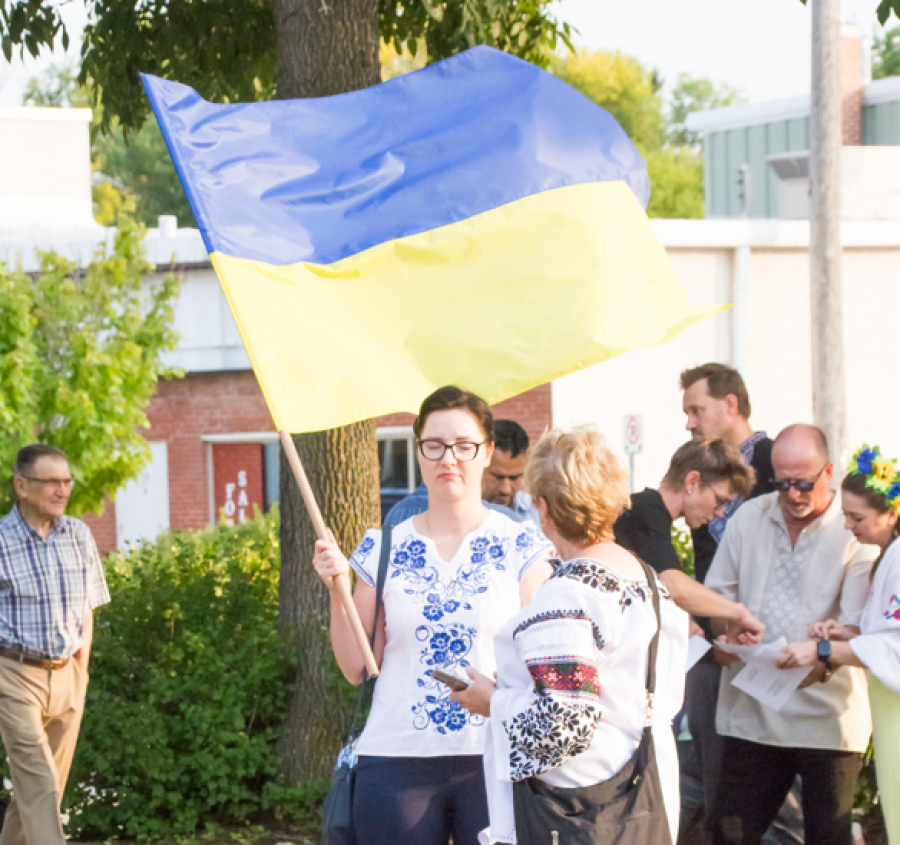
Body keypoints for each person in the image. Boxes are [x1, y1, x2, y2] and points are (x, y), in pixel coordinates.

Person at [313, 386, 554, 845]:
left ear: (486, 452)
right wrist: (335, 590)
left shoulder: (522, 547)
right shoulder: (383, 547)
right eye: (435, 445)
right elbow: (357, 666)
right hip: (396, 759)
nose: (449, 458)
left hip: (495, 755)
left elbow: (544, 662)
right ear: (418, 451)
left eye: (464, 445)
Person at [452, 426, 688, 845]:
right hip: (646, 795)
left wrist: (493, 702)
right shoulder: (649, 582)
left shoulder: (567, 596)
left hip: (579, 810)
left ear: (543, 508)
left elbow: (564, 725)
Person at [705, 425, 877, 845]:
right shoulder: (750, 516)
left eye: (803, 483)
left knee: (828, 837)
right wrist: (726, 634)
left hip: (828, 719)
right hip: (752, 713)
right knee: (728, 835)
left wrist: (822, 656)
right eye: (782, 483)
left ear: (828, 472)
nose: (793, 495)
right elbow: (716, 598)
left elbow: (861, 627)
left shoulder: (853, 528)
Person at [678, 364, 793, 845]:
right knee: (718, 782)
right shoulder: (701, 470)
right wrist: (712, 626)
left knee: (779, 791)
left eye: (696, 409)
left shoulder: (777, 463)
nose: (689, 422)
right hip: (721, 649)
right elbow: (706, 565)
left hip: (776, 648)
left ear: (730, 405)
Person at [779, 444, 900, 844]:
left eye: (856, 517)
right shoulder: (889, 555)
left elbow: (894, 647)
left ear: (892, 514)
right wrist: (847, 632)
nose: (847, 526)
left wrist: (820, 650)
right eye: (845, 515)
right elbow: (884, 634)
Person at [0, 444, 110, 845]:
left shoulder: (78, 534)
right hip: (13, 675)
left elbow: (87, 608)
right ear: (22, 486)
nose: (62, 491)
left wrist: (80, 673)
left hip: (67, 675)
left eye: (66, 481)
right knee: (41, 784)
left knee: (42, 791)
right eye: (51, 482)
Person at [613, 438, 763, 640]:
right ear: (692, 482)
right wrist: (738, 612)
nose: (720, 513)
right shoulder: (644, 512)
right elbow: (673, 586)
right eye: (720, 501)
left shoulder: (652, 514)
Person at [383, 419, 536, 526]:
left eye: (515, 478)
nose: (506, 489)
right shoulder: (410, 513)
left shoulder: (535, 511)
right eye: (497, 477)